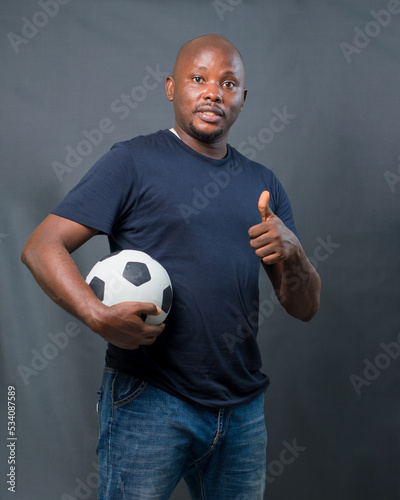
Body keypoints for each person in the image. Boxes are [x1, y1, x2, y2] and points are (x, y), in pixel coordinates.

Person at [21, 34, 321, 500]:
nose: (212, 92)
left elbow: (304, 308)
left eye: (227, 83)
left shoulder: (264, 185)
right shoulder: (132, 161)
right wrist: (96, 314)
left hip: (242, 412)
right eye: (197, 78)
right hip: (149, 401)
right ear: (170, 88)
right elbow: (42, 246)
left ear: (242, 98)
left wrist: (294, 251)